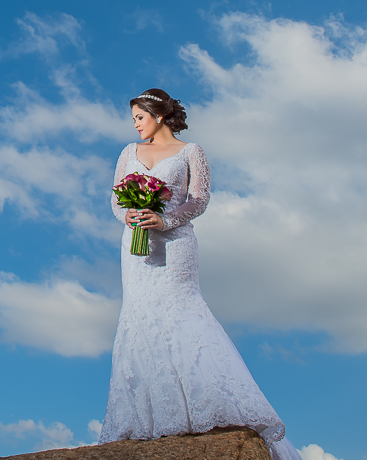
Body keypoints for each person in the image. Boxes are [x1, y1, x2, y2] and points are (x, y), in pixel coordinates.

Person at [99, 88, 302, 460]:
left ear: (158, 115)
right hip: (135, 249)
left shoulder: (191, 152)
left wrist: (165, 218)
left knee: (181, 312)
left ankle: (208, 408)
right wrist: (128, 216)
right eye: (133, 120)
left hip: (176, 246)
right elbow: (115, 199)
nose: (135, 125)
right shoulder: (128, 153)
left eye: (139, 117)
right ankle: (147, 417)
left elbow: (200, 199)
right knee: (139, 317)